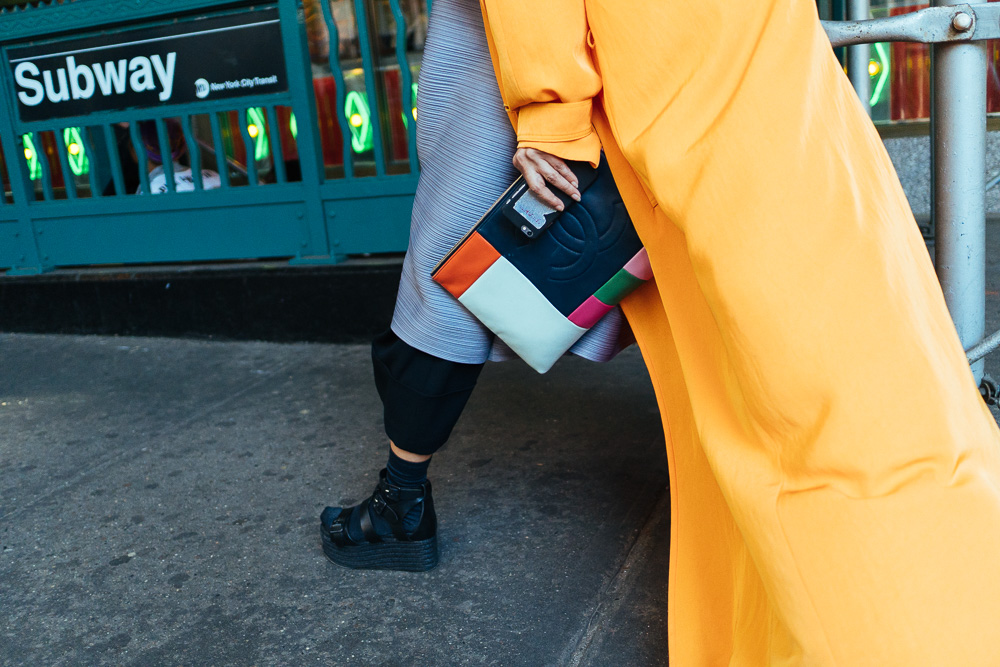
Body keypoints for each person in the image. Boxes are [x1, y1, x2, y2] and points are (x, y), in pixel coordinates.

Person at [479, 0, 1000, 663]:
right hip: (760, 61)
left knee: (781, 399)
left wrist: (550, 110)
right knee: (863, 372)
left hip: (683, 82)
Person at [318, 0, 632, 572]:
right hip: (610, 59)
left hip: (522, 68)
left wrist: (550, 119)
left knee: (448, 286)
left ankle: (401, 505)